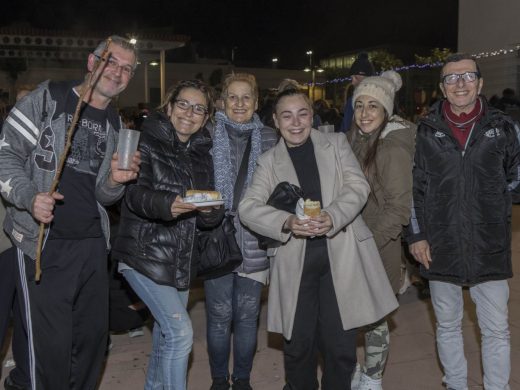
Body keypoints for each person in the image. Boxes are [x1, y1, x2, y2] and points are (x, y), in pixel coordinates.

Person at [0, 35, 141, 390]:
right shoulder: (49, 99)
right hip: (41, 243)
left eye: (127, 69)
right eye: (112, 62)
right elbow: (5, 155)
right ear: (93, 63)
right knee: (47, 351)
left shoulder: (113, 122)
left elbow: (104, 195)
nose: (119, 73)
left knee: (91, 343)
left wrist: (116, 180)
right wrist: (30, 197)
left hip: (92, 245)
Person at [238, 85, 398, 390]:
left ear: (312, 115)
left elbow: (357, 186)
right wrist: (286, 221)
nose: (295, 122)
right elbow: (248, 207)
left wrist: (333, 216)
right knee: (298, 349)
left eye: (302, 114)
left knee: (340, 350)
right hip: (295, 265)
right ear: (275, 120)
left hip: (341, 260)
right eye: (287, 116)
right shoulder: (269, 161)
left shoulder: (336, 143)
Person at [407, 53, 520, 390]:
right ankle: (455, 384)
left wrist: (493, 201)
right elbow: (415, 189)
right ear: (442, 88)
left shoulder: (503, 127)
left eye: (468, 76)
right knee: (447, 324)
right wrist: (416, 235)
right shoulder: (425, 130)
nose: (460, 83)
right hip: (441, 245)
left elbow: (516, 177)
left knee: (496, 328)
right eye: (451, 78)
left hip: (489, 244)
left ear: (480, 83)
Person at [112, 79, 222, 390]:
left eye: (199, 108)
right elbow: (131, 196)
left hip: (180, 260)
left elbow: (206, 204)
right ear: (169, 107)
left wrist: (213, 212)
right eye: (184, 104)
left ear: (206, 117)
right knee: (180, 332)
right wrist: (166, 205)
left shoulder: (203, 153)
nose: (190, 113)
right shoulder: (145, 142)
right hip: (143, 254)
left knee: (165, 336)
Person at [205, 73, 277, 390]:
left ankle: (243, 380)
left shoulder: (273, 139)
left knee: (247, 316)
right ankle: (220, 380)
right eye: (232, 97)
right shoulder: (205, 136)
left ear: (256, 102)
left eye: (246, 97)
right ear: (222, 101)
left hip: (255, 240)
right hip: (217, 238)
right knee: (220, 315)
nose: (239, 103)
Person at [347, 70, 416, 389]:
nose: (364, 113)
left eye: (373, 106)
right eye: (359, 105)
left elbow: (398, 210)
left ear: (386, 109)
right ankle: (360, 370)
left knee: (374, 317)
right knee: (353, 314)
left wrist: (366, 244)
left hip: (378, 247)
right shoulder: (358, 140)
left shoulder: (391, 148)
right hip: (356, 244)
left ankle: (373, 378)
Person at [339, 52, 375, 133]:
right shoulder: (351, 101)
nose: (353, 82)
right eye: (352, 78)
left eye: (356, 78)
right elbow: (343, 130)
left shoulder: (380, 102)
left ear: (369, 79)